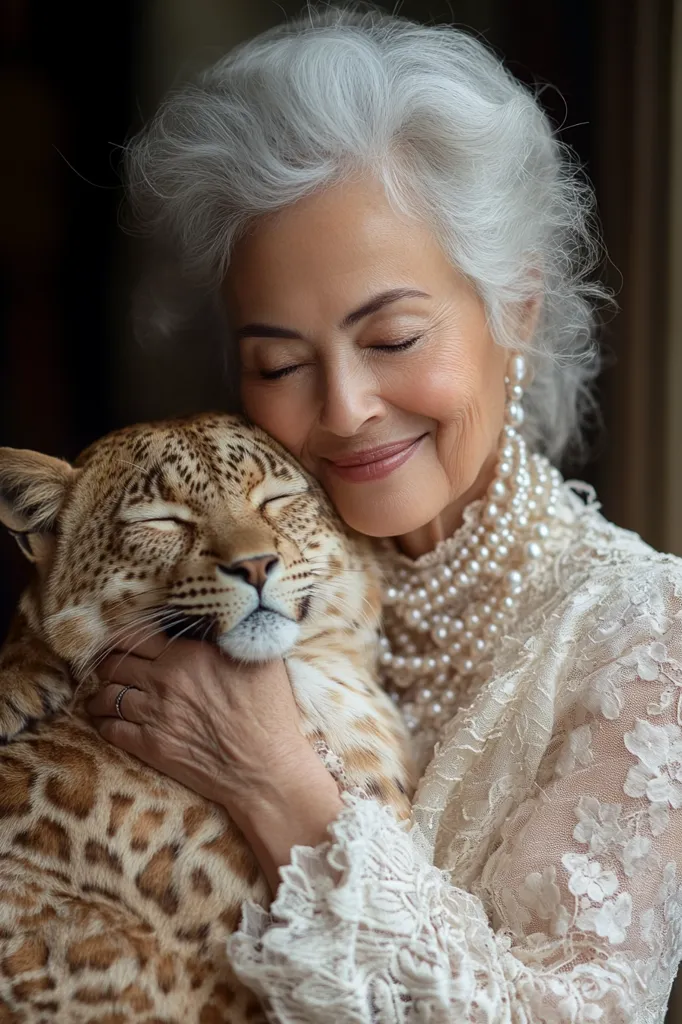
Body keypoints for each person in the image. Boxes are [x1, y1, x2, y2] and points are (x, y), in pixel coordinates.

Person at [85, 6, 682, 1021]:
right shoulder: (195, 593)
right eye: (279, 362)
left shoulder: (644, 638)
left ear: (517, 305)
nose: (346, 407)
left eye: (394, 336)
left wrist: (276, 781)